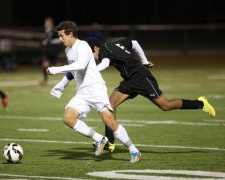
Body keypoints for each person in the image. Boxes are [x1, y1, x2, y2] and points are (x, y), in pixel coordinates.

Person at [50, 37, 216, 152]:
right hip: (129, 80)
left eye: (91, 55)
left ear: (95, 48)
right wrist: (144, 59)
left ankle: (200, 103)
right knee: (110, 104)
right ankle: (110, 143)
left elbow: (106, 63)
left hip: (141, 77)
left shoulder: (105, 50)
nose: (92, 59)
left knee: (165, 105)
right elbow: (135, 43)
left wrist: (92, 69)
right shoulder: (115, 43)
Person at [46, 21, 141, 163]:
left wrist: (57, 69)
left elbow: (81, 64)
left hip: (96, 89)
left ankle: (134, 150)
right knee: (68, 118)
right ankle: (99, 139)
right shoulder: (68, 50)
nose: (60, 39)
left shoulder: (83, 45)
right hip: (82, 92)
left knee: (109, 121)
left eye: (61, 36)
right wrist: (61, 86)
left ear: (70, 34)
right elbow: (74, 70)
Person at [40, 17, 62, 86]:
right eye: (46, 23)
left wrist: (50, 42)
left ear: (51, 24)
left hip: (54, 52)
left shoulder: (55, 31)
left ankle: (63, 81)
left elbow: (59, 40)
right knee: (44, 65)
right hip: (47, 52)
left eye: (48, 23)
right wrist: (43, 43)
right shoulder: (44, 32)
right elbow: (42, 42)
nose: (46, 24)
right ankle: (45, 80)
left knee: (58, 68)